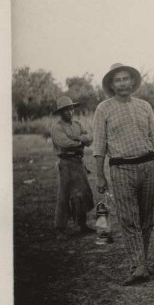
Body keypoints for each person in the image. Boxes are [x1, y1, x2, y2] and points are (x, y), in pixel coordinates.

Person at [93, 63, 154, 286]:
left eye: (126, 79)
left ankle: (140, 264)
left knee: (146, 218)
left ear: (133, 82)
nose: (123, 83)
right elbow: (99, 144)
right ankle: (138, 266)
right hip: (121, 168)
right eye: (118, 80)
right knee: (129, 219)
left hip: (147, 166)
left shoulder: (144, 106)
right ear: (111, 84)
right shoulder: (103, 109)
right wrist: (99, 175)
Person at [50, 96, 95, 239]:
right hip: (66, 162)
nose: (69, 112)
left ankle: (82, 224)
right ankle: (60, 229)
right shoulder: (57, 127)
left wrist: (80, 139)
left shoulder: (77, 124)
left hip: (78, 162)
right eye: (65, 110)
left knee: (82, 193)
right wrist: (80, 142)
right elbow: (64, 143)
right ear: (60, 113)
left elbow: (90, 137)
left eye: (71, 109)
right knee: (64, 195)